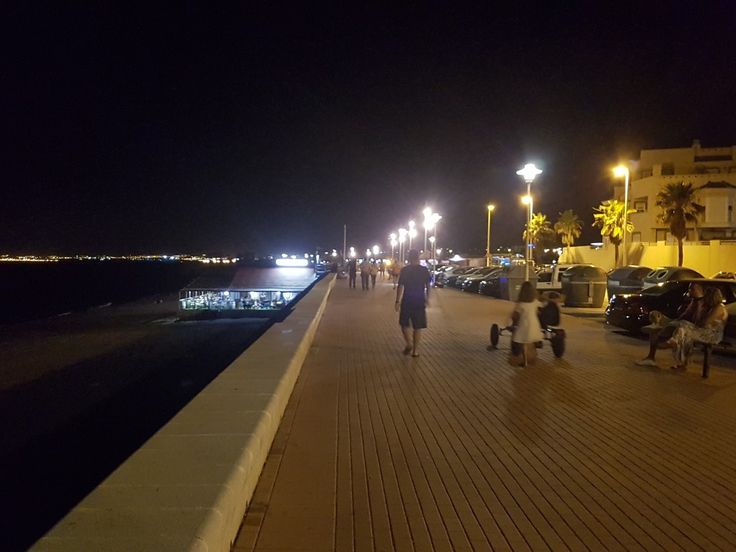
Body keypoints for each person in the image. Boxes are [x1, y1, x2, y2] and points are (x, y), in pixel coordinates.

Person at [635, 282, 706, 367]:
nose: (689, 291)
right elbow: (683, 315)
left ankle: (658, 347)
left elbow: (698, 320)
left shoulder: (702, 303)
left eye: (691, 289)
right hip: (678, 322)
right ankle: (656, 330)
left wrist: (697, 303)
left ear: (698, 290)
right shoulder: (693, 301)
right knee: (655, 314)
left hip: (687, 326)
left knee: (662, 329)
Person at [668, 286, 727, 371]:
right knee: (685, 334)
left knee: (684, 328)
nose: (704, 298)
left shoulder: (719, 308)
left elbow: (704, 322)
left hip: (712, 335)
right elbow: (698, 322)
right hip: (705, 331)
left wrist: (700, 309)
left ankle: (674, 343)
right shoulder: (711, 307)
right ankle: (682, 363)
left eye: (706, 296)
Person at [395, 249, 431, 357]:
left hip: (407, 300)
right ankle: (415, 351)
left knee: (404, 324)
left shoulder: (405, 270)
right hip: (419, 300)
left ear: (409, 258)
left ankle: (409, 343)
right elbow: (428, 286)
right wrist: (427, 298)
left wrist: (397, 301)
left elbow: (400, 286)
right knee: (417, 326)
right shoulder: (424, 270)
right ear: (418, 257)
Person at [510, 281, 544, 367]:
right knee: (532, 339)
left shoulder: (521, 304)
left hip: (524, 324)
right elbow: (541, 307)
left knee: (523, 342)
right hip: (534, 323)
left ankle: (525, 361)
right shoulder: (535, 301)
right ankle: (534, 354)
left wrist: (513, 322)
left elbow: (516, 315)